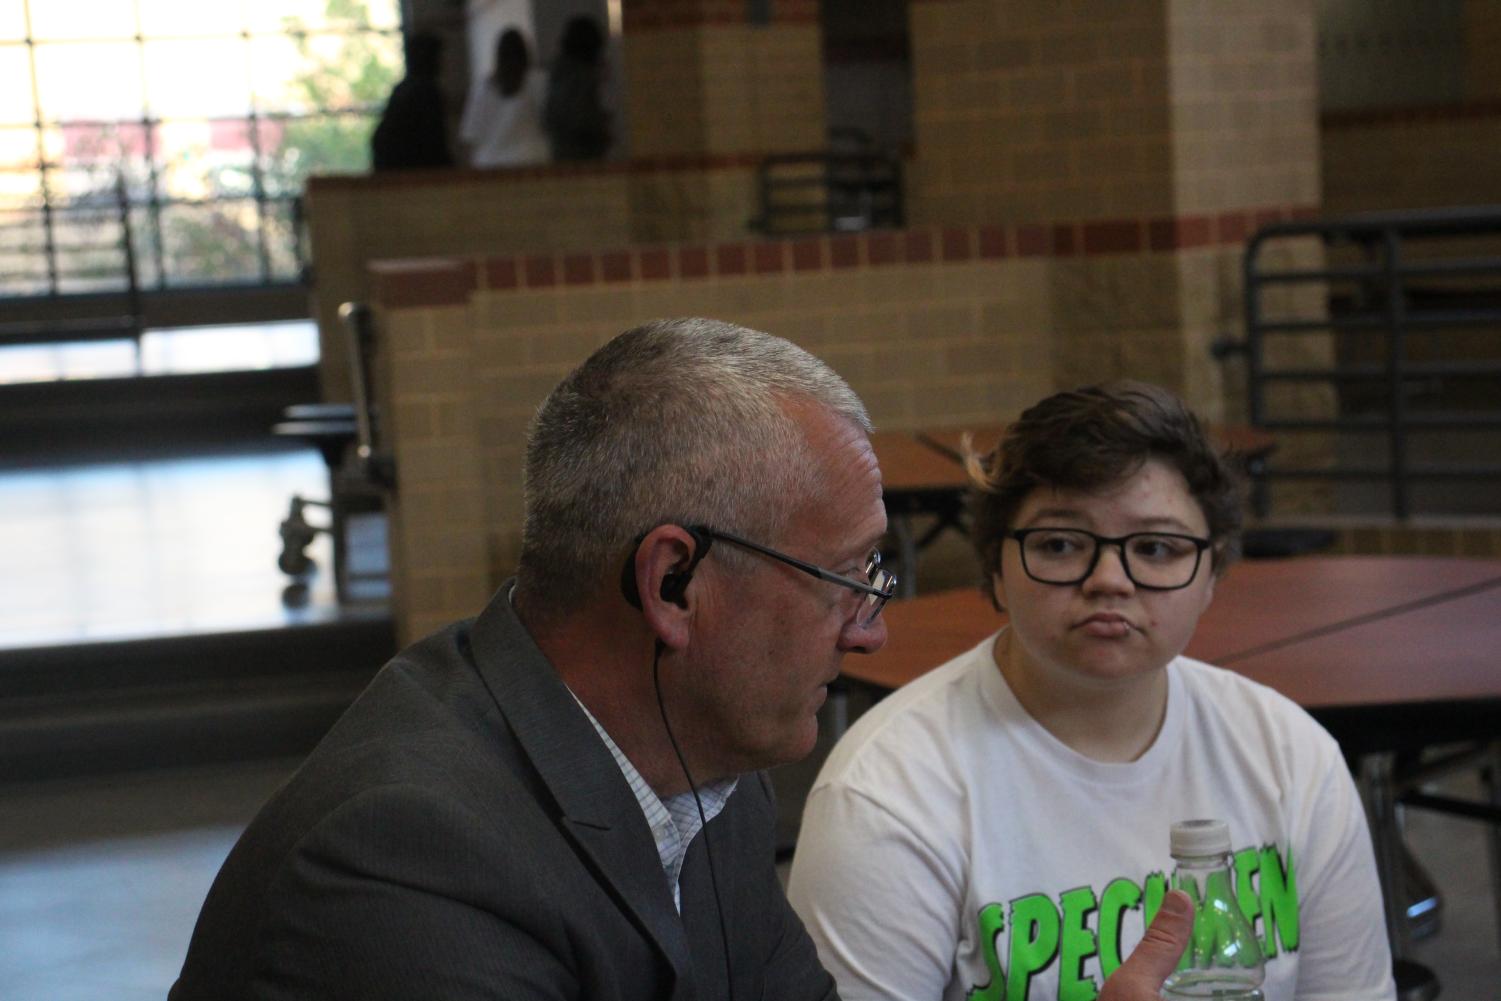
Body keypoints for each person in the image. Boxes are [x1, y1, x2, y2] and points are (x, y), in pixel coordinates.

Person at [169, 322, 1192, 1000]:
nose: (870, 629)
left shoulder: (699, 772)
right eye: (844, 576)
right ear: (671, 584)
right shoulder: (405, 862)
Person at [787, 382, 1397, 1001]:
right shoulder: (887, 795)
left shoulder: (1293, 759)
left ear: (1211, 573)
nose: (1109, 580)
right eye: (1059, 544)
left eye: (1157, 548)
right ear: (996, 568)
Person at [459, 27, 549, 169]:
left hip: (490, 164)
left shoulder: (483, 88)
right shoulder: (537, 81)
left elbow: (471, 134)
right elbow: (548, 121)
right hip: (530, 159)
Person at [370, 32, 454, 171]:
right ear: (431, 59)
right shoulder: (426, 92)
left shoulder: (402, 89)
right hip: (410, 172)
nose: (444, 63)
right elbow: (433, 144)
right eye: (440, 58)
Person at [543, 15, 611, 161]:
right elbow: (583, 119)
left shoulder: (556, 73)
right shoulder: (584, 76)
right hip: (583, 155)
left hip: (561, 153)